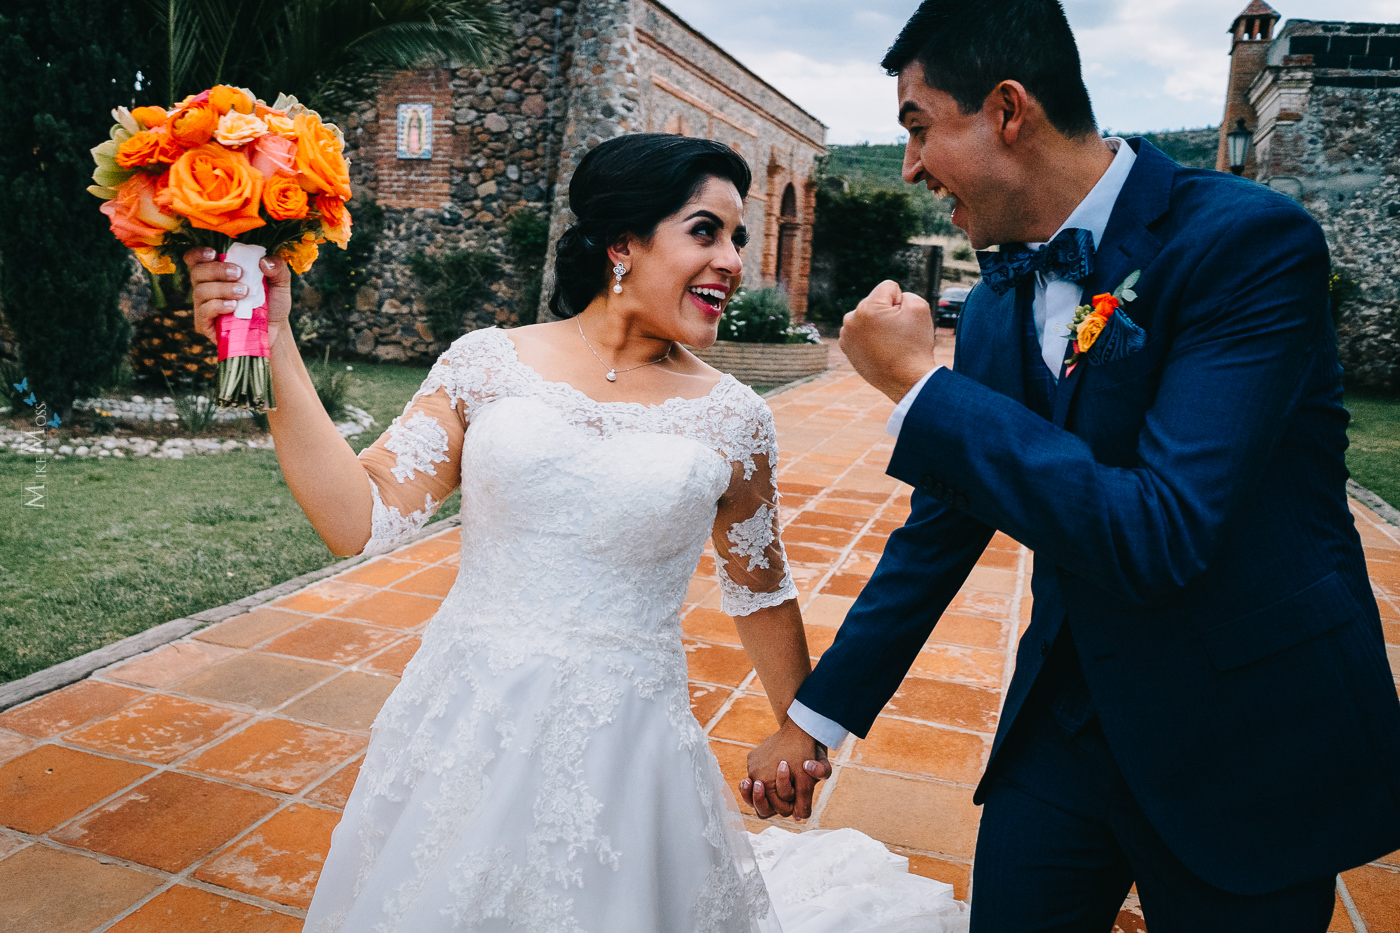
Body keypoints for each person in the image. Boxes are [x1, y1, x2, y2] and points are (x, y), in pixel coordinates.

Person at [185, 133, 966, 932]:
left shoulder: (737, 417)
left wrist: (799, 731)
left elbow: (761, 588)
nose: (733, 260)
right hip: (465, 722)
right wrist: (271, 337)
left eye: (738, 237)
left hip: (626, 748)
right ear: (621, 242)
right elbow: (360, 517)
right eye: (707, 231)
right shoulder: (486, 363)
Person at [744, 2, 1400, 931]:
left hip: (1246, 729)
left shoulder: (1247, 245)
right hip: (1067, 721)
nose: (911, 167)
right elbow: (940, 530)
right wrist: (815, 718)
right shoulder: (996, 304)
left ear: (1008, 110)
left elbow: (1162, 530)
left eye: (919, 127)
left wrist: (917, 391)